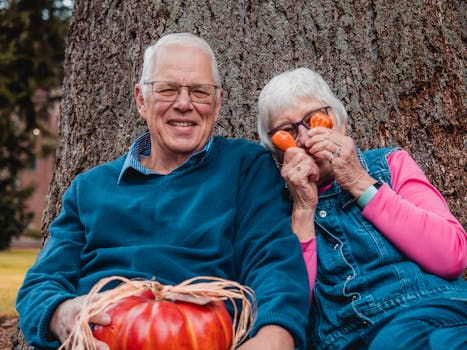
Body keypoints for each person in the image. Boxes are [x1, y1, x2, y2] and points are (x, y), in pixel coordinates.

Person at [16, 33, 310, 350]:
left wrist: (273, 336)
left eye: (199, 91)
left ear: (218, 102)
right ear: (142, 100)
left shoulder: (246, 168)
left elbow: (274, 263)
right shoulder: (89, 188)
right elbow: (39, 286)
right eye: (168, 90)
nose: (183, 104)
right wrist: (60, 314)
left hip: (203, 338)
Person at [257, 67, 467, 349]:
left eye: (315, 120)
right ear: (277, 154)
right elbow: (290, 311)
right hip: (344, 340)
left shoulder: (390, 165)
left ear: (340, 122)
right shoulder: (277, 210)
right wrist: (303, 210)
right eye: (287, 133)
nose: (305, 139)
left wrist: (359, 182)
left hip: (433, 314)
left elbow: (451, 255)